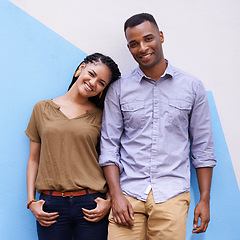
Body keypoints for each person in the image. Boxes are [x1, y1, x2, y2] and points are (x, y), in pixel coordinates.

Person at [99, 13, 216, 240]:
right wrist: (116, 195)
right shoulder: (118, 89)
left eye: (148, 39)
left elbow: (203, 148)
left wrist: (204, 199)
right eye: (134, 44)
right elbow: (109, 146)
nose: (142, 48)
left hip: (172, 195)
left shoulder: (192, 87)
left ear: (160, 37)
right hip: (128, 195)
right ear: (129, 47)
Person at [25, 53, 121, 240]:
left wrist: (109, 200)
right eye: (91, 74)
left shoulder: (102, 116)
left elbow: (111, 159)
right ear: (80, 68)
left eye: (101, 83)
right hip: (51, 205)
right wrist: (31, 202)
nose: (93, 83)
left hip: (91, 204)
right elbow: (33, 159)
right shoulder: (42, 109)